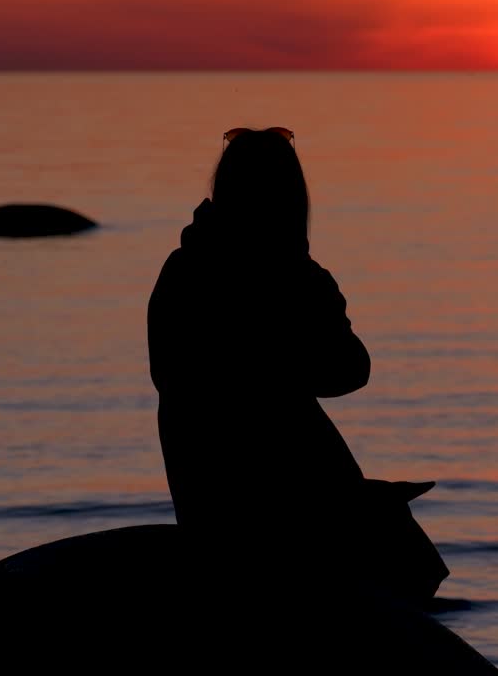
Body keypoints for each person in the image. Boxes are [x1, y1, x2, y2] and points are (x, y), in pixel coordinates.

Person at [147, 127, 447, 607]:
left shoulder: (183, 268)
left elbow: (178, 380)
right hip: (277, 500)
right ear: (289, 199)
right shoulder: (287, 277)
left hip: (208, 492)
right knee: (405, 565)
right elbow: (346, 371)